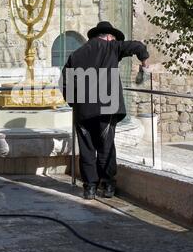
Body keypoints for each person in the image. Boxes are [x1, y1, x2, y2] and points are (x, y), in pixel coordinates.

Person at [61, 21, 149, 200]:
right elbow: (138, 46)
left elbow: (64, 83)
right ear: (109, 36)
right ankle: (108, 186)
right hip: (107, 107)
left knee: (86, 148)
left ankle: (89, 188)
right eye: (114, 38)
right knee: (106, 146)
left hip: (83, 110)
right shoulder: (111, 47)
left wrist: (75, 103)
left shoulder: (76, 54)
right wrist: (144, 64)